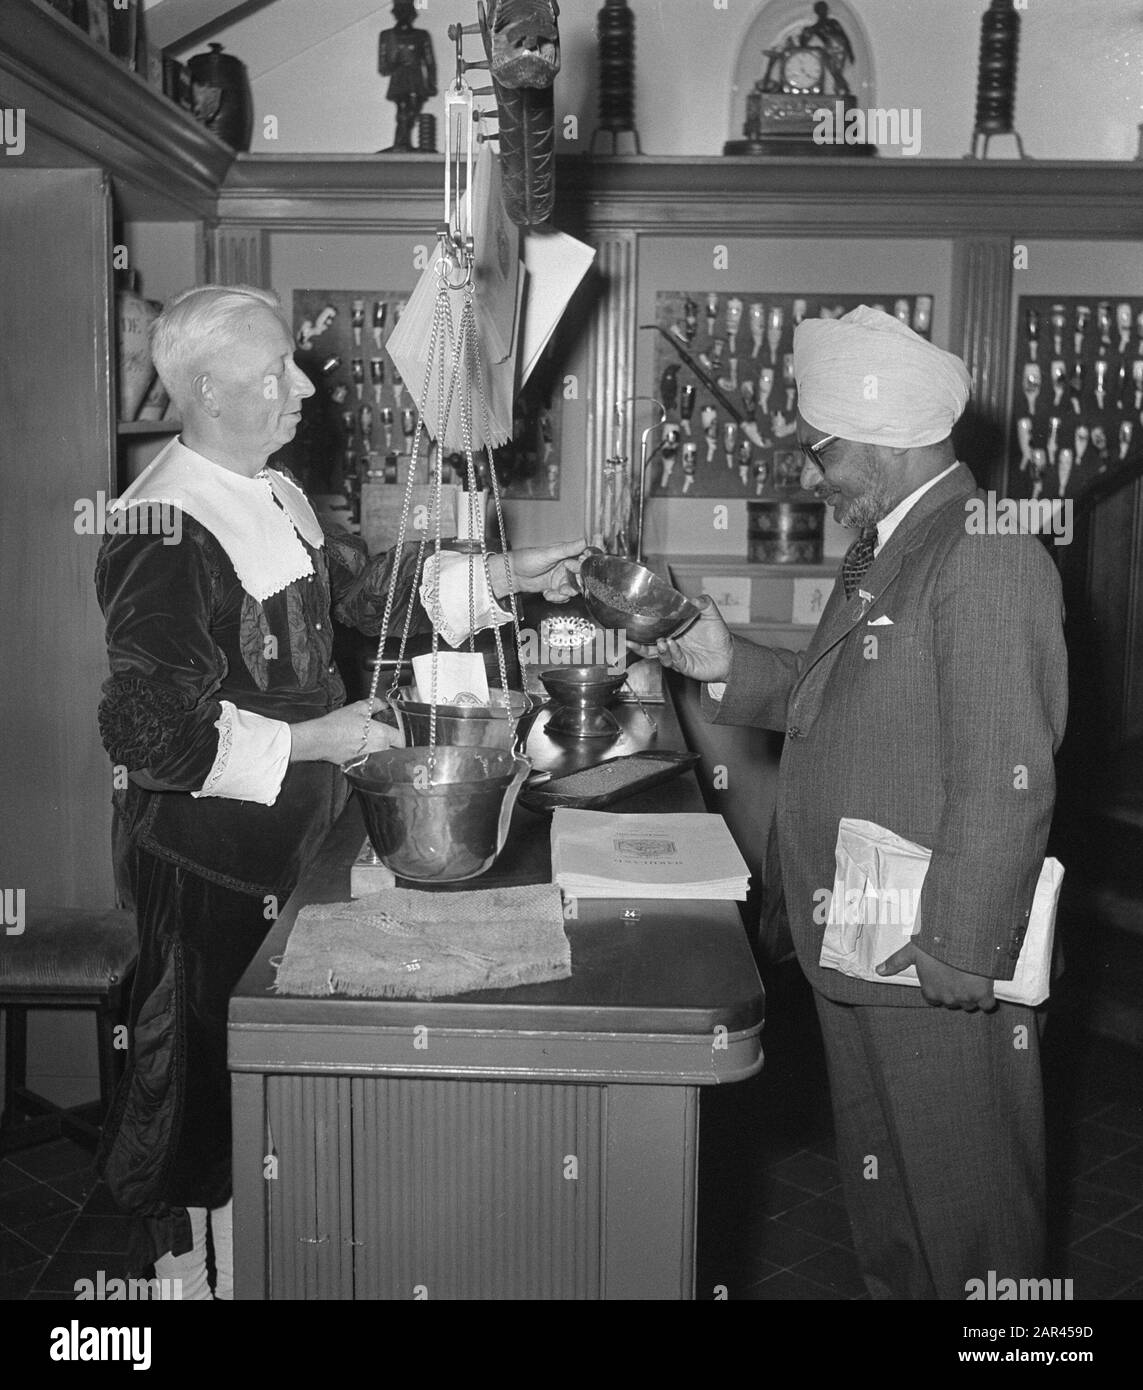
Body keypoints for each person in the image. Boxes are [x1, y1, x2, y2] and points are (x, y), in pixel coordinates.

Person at [95, 284, 586, 1298]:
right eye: (276, 370)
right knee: (197, 1084)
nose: (304, 385)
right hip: (209, 861)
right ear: (206, 393)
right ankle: (194, 1276)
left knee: (273, 1075)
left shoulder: (269, 488)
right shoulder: (162, 525)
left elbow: (370, 601)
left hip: (296, 841)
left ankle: (276, 1260)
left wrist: (514, 573)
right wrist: (317, 735)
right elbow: (149, 736)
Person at [640, 305, 1068, 1300]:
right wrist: (727, 660)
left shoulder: (986, 553)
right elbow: (840, 701)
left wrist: (964, 944)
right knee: (892, 1216)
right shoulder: (897, 542)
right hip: (867, 938)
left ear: (880, 442)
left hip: (934, 950)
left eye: (822, 447)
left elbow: (1011, 773)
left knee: (975, 1230)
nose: (814, 470)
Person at [377, 0, 437, 152]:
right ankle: (401, 144)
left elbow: (429, 63)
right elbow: (383, 68)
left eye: (406, 11)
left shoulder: (421, 36)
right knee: (404, 112)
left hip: (416, 81)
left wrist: (431, 83)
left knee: (410, 114)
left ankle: (402, 144)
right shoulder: (387, 36)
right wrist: (396, 62)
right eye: (400, 11)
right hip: (399, 81)